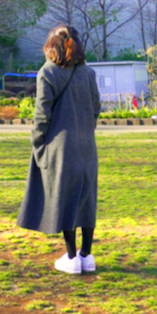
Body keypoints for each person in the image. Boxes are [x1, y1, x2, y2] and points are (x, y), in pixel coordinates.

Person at [17, 24, 101, 275]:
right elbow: (96, 108)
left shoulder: (48, 73)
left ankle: (72, 256)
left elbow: (42, 116)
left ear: (52, 46)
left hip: (60, 148)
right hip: (87, 145)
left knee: (66, 199)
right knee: (86, 200)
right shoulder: (88, 73)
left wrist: (38, 144)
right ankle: (87, 255)